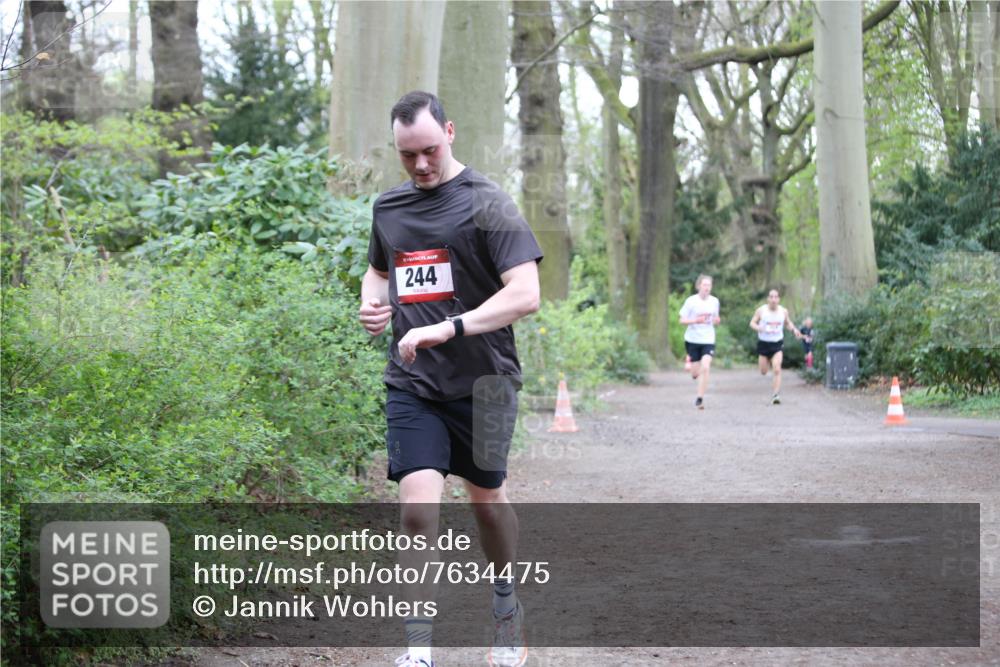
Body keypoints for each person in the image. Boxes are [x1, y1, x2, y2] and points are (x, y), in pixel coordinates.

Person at [359, 91, 542, 667]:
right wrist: (372, 304)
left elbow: (526, 294)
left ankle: (506, 605)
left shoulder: (490, 204)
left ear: (451, 132)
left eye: (429, 150)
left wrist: (450, 327)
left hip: (486, 382)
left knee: (486, 503)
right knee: (418, 510)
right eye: (406, 155)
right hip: (413, 383)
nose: (419, 165)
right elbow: (377, 271)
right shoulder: (388, 208)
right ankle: (418, 648)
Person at [749, 289, 802, 404]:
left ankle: (775, 395)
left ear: (778, 299)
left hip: (777, 344)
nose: (773, 299)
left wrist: (794, 330)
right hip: (764, 344)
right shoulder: (761, 311)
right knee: (763, 371)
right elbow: (752, 323)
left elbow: (788, 323)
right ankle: (767, 364)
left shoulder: (783, 311)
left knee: (777, 368)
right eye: (771, 297)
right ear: (768, 299)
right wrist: (759, 328)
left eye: (776, 297)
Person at [678, 275, 721, 409]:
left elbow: (715, 318)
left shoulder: (714, 301)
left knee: (706, 367)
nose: (707, 287)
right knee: (695, 373)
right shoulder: (691, 301)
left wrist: (716, 321)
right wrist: (696, 320)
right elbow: (681, 320)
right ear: (698, 286)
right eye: (704, 285)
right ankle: (690, 361)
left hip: (708, 339)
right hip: (692, 340)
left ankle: (700, 398)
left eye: (709, 285)